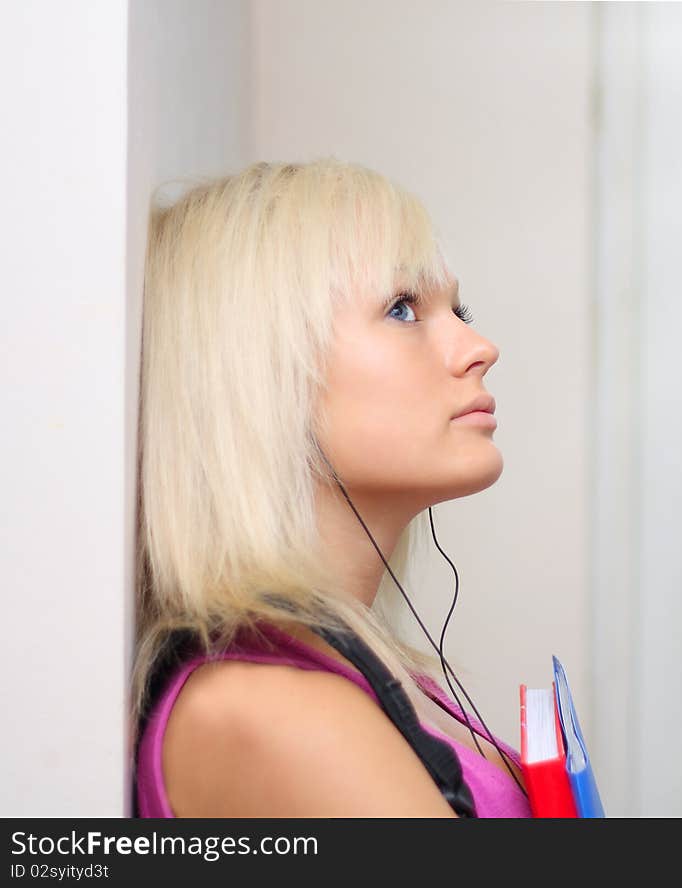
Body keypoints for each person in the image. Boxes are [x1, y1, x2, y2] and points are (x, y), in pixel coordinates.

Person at [131, 157, 532, 818]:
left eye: (455, 308)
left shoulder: (365, 677)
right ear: (263, 379)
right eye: (403, 308)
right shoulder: (277, 715)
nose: (478, 346)